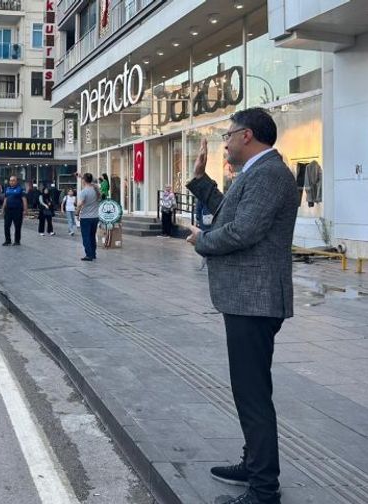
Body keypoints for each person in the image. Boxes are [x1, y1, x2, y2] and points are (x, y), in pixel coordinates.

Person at [186, 108, 299, 504]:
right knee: (249, 389)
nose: (226, 143)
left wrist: (202, 240)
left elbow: (243, 231)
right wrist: (200, 181)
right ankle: (253, 464)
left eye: (228, 135)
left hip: (256, 298)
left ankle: (264, 488)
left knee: (252, 394)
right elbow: (229, 212)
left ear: (247, 135)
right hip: (246, 298)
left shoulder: (269, 173)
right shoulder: (256, 172)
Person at [77, 173, 99, 261]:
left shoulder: (84, 191)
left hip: (86, 217)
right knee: (92, 236)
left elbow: (80, 204)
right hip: (95, 217)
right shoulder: (96, 190)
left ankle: (89, 255)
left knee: (86, 236)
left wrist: (77, 213)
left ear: (84, 181)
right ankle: (93, 253)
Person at [1, 176, 27, 246]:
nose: (11, 182)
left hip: (17, 210)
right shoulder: (7, 189)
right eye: (10, 180)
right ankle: (7, 240)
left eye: (13, 180)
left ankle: (17, 241)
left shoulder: (20, 189)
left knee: (17, 226)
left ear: (16, 181)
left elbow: (24, 200)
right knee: (6, 226)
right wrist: (3, 209)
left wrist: (25, 210)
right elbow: (5, 199)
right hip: (8, 210)